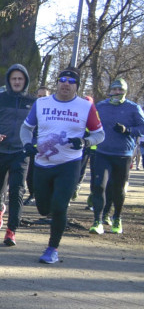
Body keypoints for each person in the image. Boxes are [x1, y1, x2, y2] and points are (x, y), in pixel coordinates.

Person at [20, 69, 104, 264]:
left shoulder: (85, 107)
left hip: (69, 163)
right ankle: (50, 218)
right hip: (42, 163)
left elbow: (100, 134)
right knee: (43, 208)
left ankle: (52, 248)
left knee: (59, 206)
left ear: (77, 86)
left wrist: (85, 141)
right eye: (62, 80)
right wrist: (26, 144)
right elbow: (26, 127)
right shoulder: (41, 103)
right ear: (57, 83)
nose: (66, 84)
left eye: (71, 81)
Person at [0, 64, 35, 247]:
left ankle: (11, 231)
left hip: (21, 152)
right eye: (13, 79)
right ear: (9, 81)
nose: (17, 82)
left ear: (25, 81)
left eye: (20, 79)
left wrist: (34, 144)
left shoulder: (33, 102)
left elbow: (41, 126)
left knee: (17, 191)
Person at [88, 78, 144, 234]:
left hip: (123, 154)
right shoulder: (101, 106)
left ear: (125, 92)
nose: (117, 93)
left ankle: (117, 217)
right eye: (114, 90)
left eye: (120, 90)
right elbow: (90, 124)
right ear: (110, 91)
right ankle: (97, 221)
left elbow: (142, 127)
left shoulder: (133, 108)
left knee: (118, 189)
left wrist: (128, 130)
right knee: (99, 186)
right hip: (102, 152)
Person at [24, 86, 51, 207]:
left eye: (44, 96)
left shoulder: (53, 111)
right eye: (39, 96)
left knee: (45, 174)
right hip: (32, 146)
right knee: (30, 174)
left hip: (48, 148)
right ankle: (32, 194)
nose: (41, 98)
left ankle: (45, 196)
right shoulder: (32, 109)